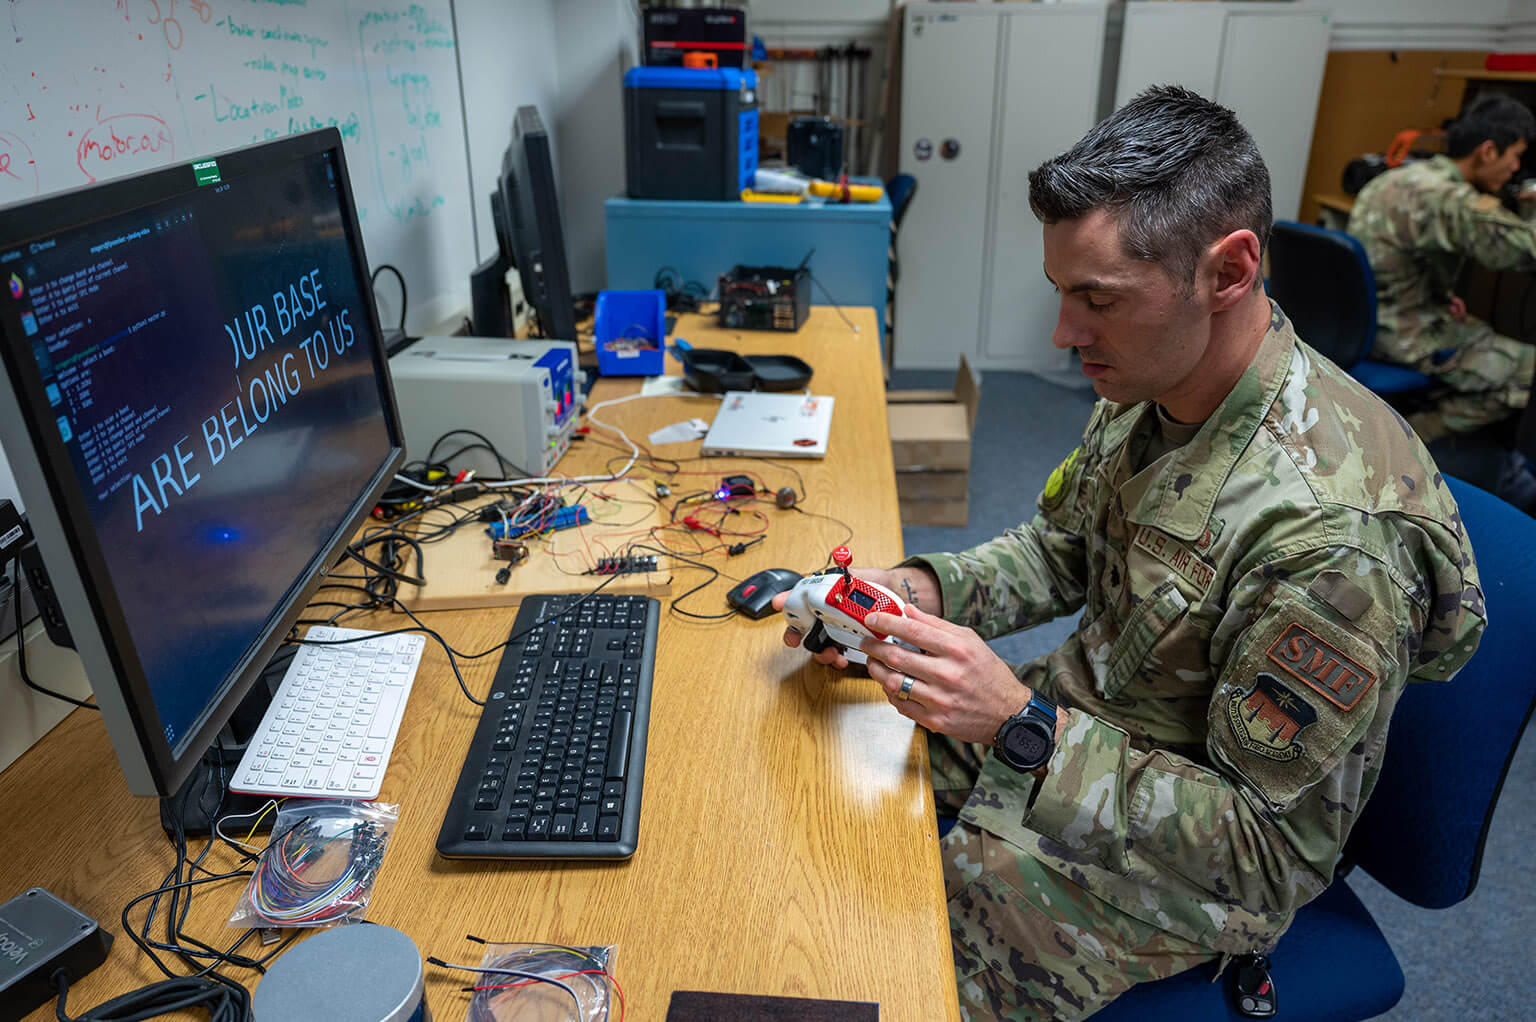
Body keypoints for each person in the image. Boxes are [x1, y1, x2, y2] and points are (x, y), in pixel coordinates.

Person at [776, 86, 1486, 1020]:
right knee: (817, 780)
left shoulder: (1334, 540)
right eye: (1062, 295)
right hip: (1082, 737)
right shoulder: (1157, 378)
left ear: (1229, 271)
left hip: (1198, 861)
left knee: (877, 974)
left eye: (1097, 300)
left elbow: (1268, 849)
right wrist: (921, 587)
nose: (1067, 336)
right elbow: (1064, 550)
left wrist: (1021, 729)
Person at [1347, 93, 1536, 502]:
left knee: (1479, 327)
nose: (1516, 167)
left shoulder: (1398, 176)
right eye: (1515, 155)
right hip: (1403, 336)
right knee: (1527, 370)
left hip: (1361, 324)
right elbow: (1524, 248)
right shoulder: (1449, 197)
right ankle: (1415, 431)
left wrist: (1440, 293)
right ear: (1488, 151)